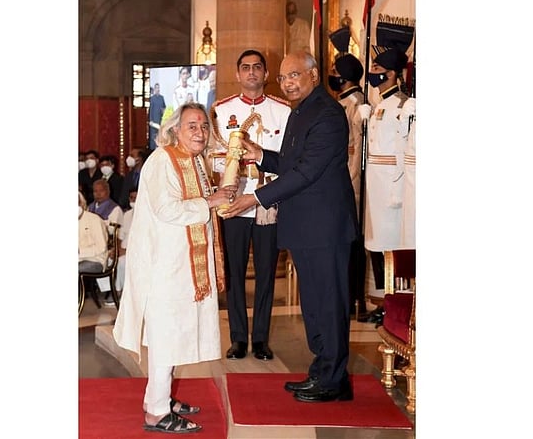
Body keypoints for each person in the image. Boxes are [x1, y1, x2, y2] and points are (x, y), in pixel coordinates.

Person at [223, 52, 357, 403]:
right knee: (314, 303)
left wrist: (255, 199)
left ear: (314, 75)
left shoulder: (327, 114)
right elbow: (289, 163)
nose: (287, 83)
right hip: (307, 227)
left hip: (325, 228)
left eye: (294, 75)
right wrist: (260, 155)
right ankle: (324, 371)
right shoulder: (301, 112)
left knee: (329, 302)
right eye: (282, 79)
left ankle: (333, 378)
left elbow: (307, 172)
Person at [113, 103, 236, 434]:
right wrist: (211, 201)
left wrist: (220, 198)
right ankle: (156, 411)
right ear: (175, 130)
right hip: (165, 266)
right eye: (192, 126)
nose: (200, 132)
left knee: (174, 332)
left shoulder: (194, 160)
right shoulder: (161, 160)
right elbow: (167, 210)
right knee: (166, 335)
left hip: (185, 266)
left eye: (204, 126)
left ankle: (161, 398)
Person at [210, 49, 291, 361]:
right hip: (234, 198)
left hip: (268, 198)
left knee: (267, 271)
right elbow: (215, 156)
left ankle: (260, 339)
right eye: (246, 68)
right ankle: (237, 339)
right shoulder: (222, 109)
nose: (252, 73)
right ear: (238, 73)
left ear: (266, 74)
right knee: (234, 271)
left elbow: (288, 158)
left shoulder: (283, 111)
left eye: (258, 67)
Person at [363, 44, 415, 323]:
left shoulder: (404, 106)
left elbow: (404, 151)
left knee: (391, 247)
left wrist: (398, 190)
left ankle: (393, 302)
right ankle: (384, 299)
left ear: (393, 74)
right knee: (376, 244)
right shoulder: (379, 105)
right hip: (376, 186)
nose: (372, 75)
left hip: (392, 188)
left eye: (378, 71)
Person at [330, 52, 373, 321]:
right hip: (342, 178)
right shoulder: (344, 101)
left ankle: (356, 297)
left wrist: (351, 179)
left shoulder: (356, 104)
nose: (332, 75)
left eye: (335, 71)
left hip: (351, 181)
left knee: (353, 242)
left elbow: (357, 149)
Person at [79, 192, 110, 305]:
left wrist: (79, 252)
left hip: (96, 260)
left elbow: (101, 247)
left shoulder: (94, 219)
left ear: (81, 204)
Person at [148, 83, 166, 149]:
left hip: (160, 120)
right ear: (154, 89)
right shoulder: (152, 98)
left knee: (160, 135)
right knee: (153, 135)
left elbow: (164, 108)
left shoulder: (161, 98)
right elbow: (150, 110)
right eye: (156, 88)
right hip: (153, 120)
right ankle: (152, 149)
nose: (157, 89)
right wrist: (150, 120)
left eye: (158, 88)